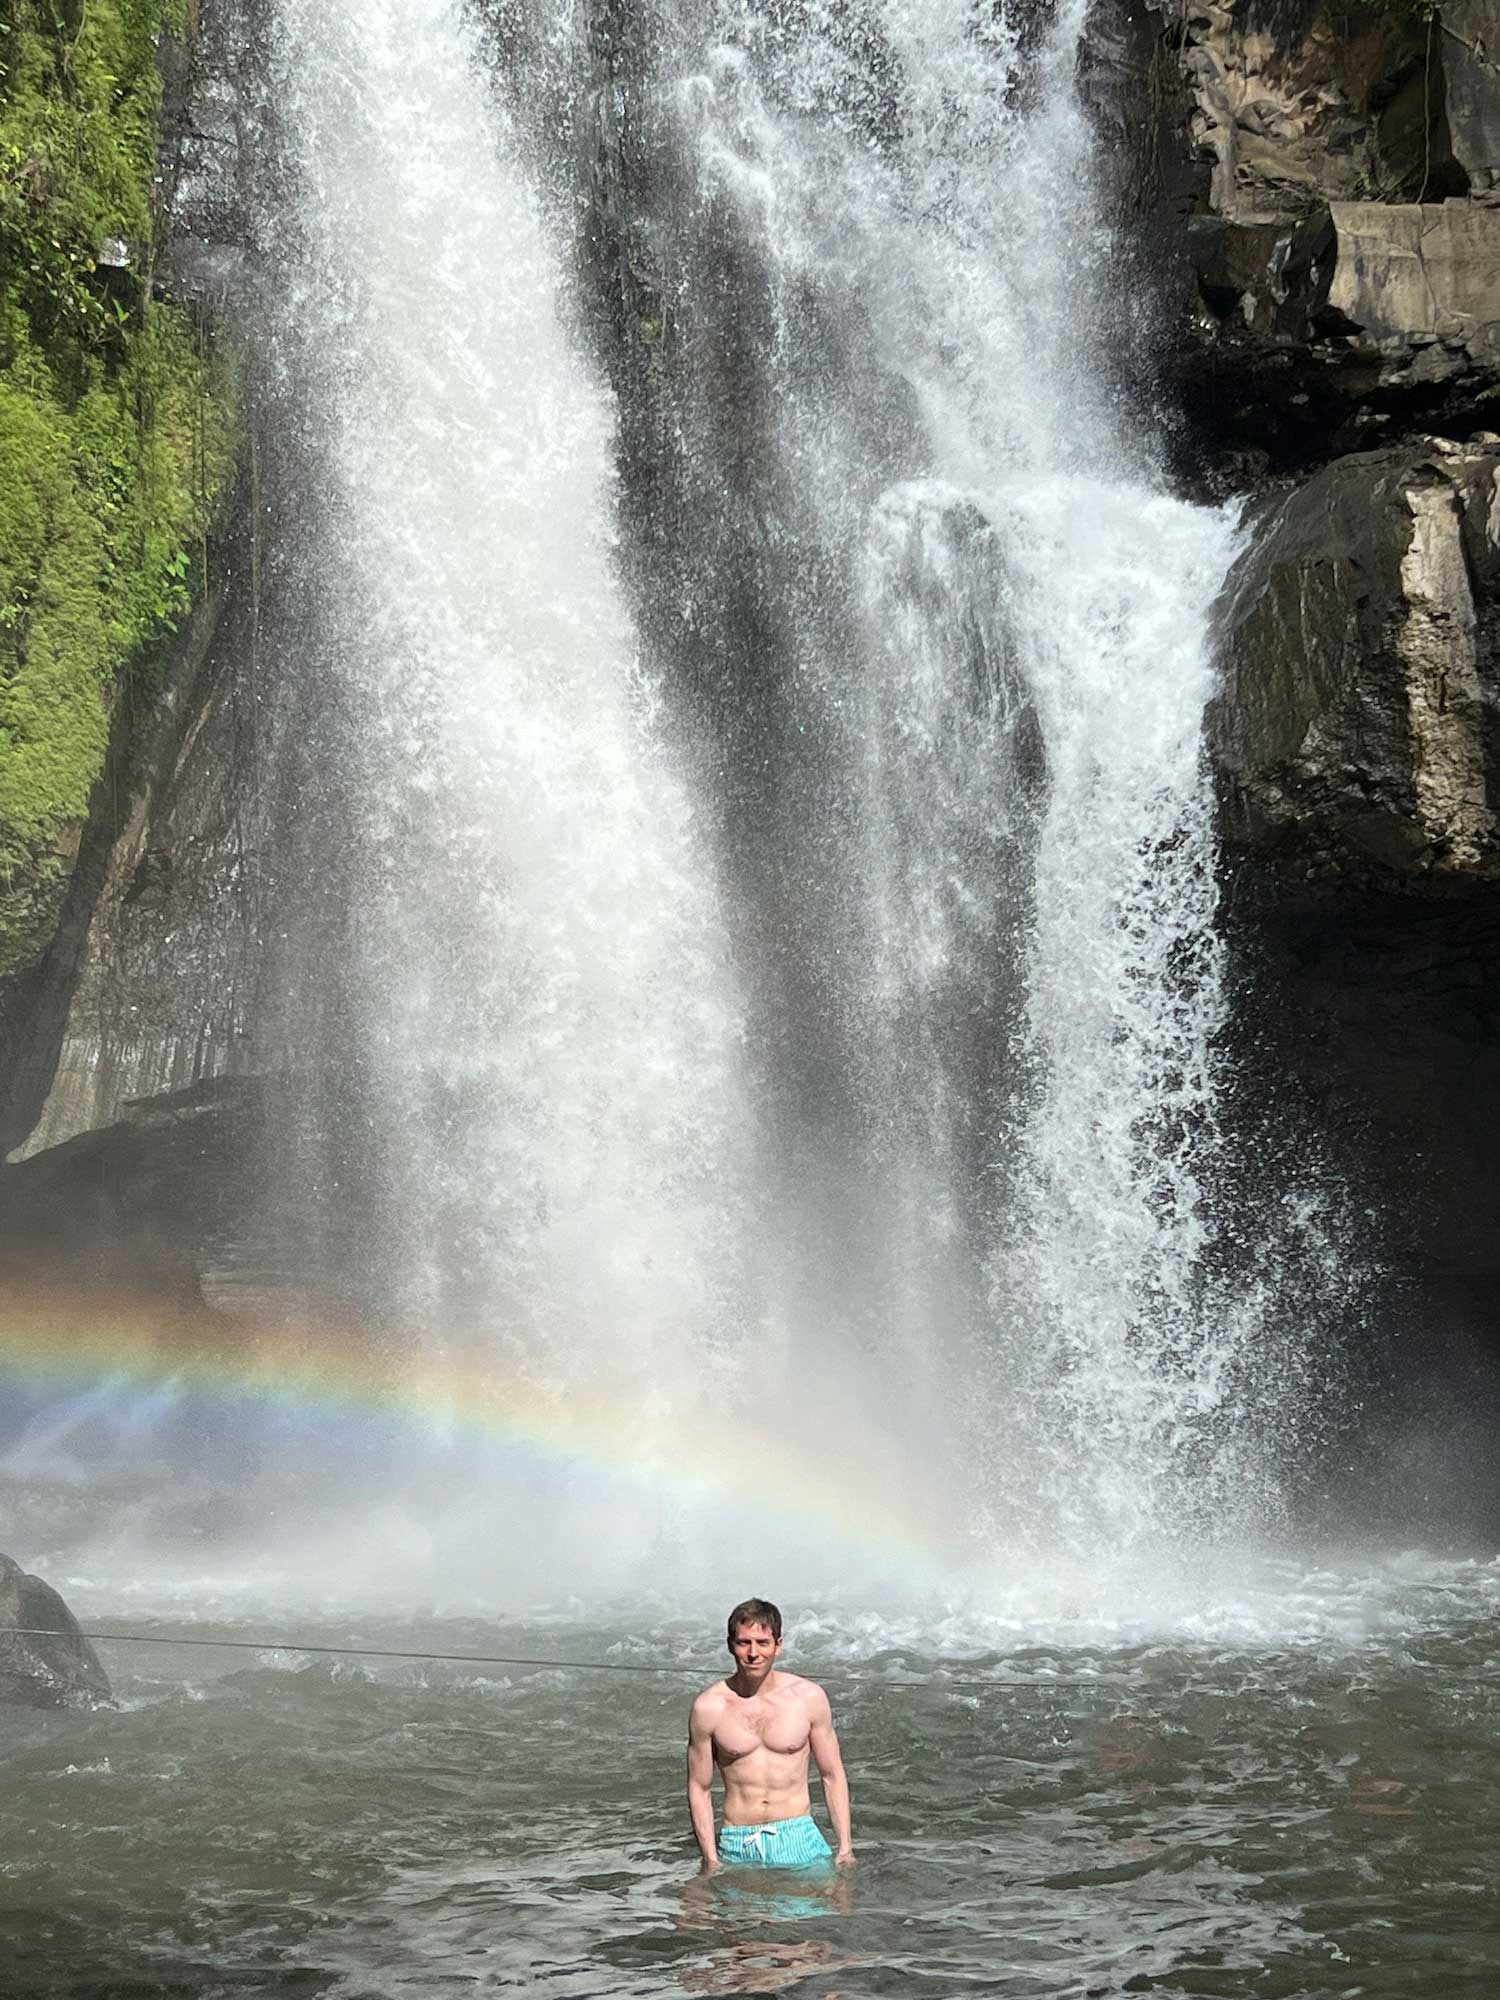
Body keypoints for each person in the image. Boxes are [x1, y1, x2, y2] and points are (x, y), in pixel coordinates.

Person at [687, 1596, 854, 1873]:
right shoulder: (709, 1707)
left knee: (829, 1910)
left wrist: (845, 1847)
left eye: (763, 1643)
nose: (754, 1653)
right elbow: (699, 1787)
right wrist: (710, 1859)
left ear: (779, 1645)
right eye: (744, 1642)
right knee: (723, 1915)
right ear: (731, 1645)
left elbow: (832, 1774)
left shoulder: (808, 1698)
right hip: (738, 1841)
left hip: (799, 1836)